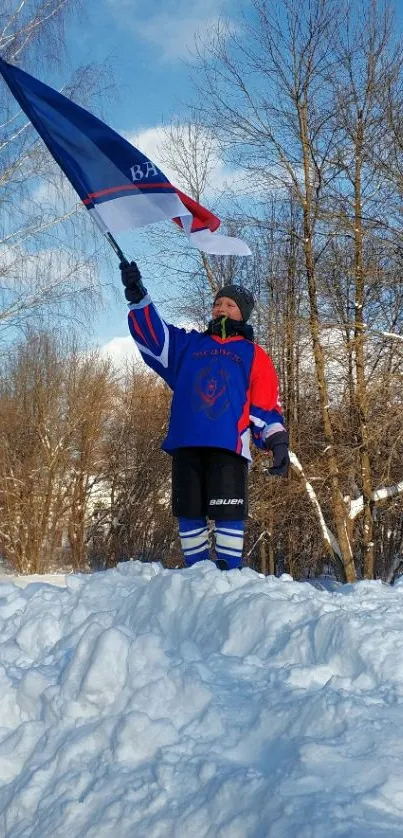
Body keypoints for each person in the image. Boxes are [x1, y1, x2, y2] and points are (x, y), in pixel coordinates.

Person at [121, 260, 289, 571]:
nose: (221, 308)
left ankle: (228, 575)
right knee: (189, 510)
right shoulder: (189, 345)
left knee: (228, 512)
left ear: (243, 312)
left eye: (229, 304)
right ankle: (196, 574)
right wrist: (138, 296)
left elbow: (265, 404)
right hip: (186, 442)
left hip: (228, 445)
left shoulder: (254, 354)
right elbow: (155, 339)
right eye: (217, 303)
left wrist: (277, 442)